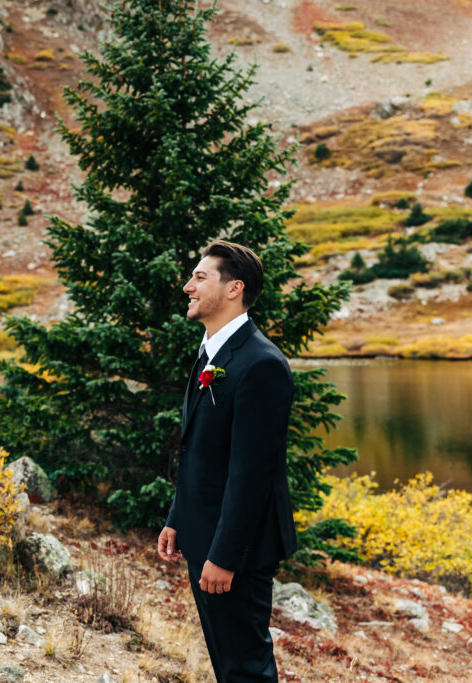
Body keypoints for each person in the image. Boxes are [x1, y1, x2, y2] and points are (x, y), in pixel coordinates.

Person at [157, 240, 297, 682]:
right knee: (226, 662)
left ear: (234, 288)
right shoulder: (210, 352)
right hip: (204, 534)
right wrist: (178, 517)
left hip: (238, 548)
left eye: (200, 277)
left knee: (246, 668)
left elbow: (252, 474)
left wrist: (225, 555)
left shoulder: (261, 365)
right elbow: (199, 448)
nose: (187, 287)